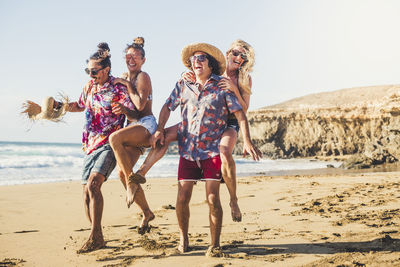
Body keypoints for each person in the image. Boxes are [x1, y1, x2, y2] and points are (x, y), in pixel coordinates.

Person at [151, 42, 261, 256]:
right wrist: (158, 129)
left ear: (211, 64)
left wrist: (247, 140)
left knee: (213, 197)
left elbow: (241, 113)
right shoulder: (184, 83)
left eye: (202, 58)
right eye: (194, 58)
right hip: (189, 149)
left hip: (216, 141)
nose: (197, 61)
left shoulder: (229, 82)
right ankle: (183, 238)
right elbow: (167, 105)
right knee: (183, 197)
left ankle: (217, 241)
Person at [58, 43, 137, 253]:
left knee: (94, 185)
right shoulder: (89, 87)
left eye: (94, 71)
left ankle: (95, 236)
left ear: (106, 70)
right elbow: (80, 105)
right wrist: (61, 107)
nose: (91, 75)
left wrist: (125, 109)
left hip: (110, 143)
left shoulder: (118, 87)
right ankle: (97, 235)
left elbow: (132, 111)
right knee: (86, 193)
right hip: (90, 144)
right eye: (88, 71)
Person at [108, 37, 155, 233]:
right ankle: (146, 212)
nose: (131, 59)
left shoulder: (142, 77)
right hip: (133, 127)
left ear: (143, 59)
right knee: (121, 172)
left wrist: (127, 84)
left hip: (146, 125)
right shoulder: (123, 76)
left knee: (114, 139)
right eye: (128, 56)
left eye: (135, 56)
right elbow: (131, 113)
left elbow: (141, 106)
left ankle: (130, 185)